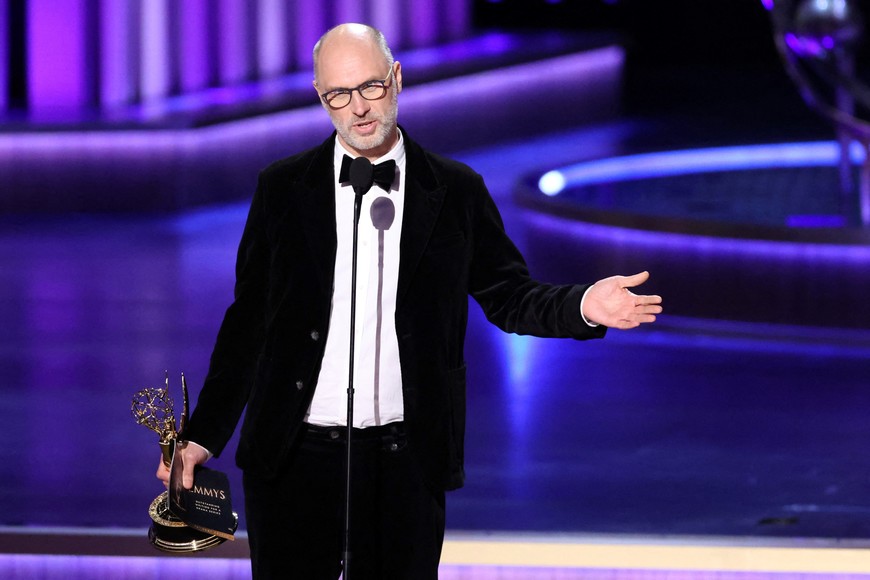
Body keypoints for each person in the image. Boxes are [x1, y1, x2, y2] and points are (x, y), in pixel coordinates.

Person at [157, 22, 662, 579]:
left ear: (396, 80)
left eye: (369, 87)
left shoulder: (454, 190)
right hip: (293, 456)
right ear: (321, 100)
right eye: (339, 96)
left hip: (404, 460)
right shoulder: (282, 188)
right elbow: (248, 321)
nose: (358, 109)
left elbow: (509, 295)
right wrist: (203, 435)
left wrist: (584, 306)